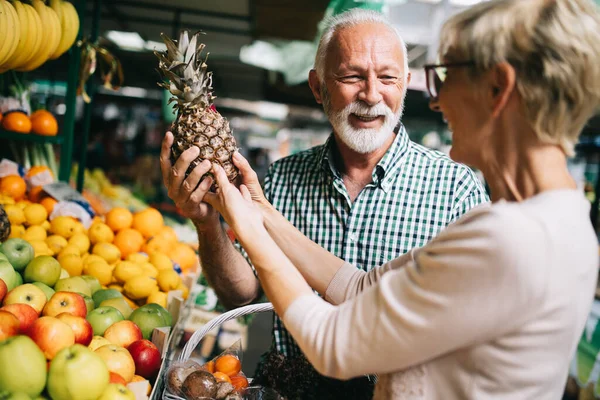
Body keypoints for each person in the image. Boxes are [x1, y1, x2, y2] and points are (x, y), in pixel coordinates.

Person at [202, 0, 600, 398]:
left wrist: (249, 228)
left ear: (498, 88)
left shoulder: (509, 237)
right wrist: (261, 212)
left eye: (446, 75)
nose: (435, 100)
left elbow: (332, 343)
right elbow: (360, 288)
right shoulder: (564, 219)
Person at [161, 8, 488, 398]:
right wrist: (206, 222)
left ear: (405, 83)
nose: (371, 94)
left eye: (387, 77)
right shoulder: (283, 177)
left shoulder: (456, 189)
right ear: (318, 88)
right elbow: (249, 293)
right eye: (352, 76)